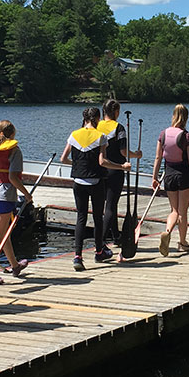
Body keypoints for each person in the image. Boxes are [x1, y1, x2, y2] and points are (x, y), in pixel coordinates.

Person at [63, 107, 126, 271]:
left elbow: (64, 159)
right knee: (98, 217)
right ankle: (99, 252)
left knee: (81, 217)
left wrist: (77, 166)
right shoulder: (101, 137)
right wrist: (121, 166)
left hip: (78, 182)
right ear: (97, 119)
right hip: (95, 182)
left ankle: (77, 256)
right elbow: (102, 162)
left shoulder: (74, 135)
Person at [0, 119, 32, 281]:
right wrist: (27, 194)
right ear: (12, 134)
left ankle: (15, 266)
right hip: (5, 195)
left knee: (4, 233)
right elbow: (13, 177)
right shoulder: (14, 150)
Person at [152, 104, 189, 256]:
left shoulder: (163, 134)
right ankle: (183, 242)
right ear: (186, 117)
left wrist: (154, 177)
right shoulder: (187, 137)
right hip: (184, 175)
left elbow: (158, 157)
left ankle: (167, 231)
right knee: (183, 212)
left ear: (173, 115)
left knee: (173, 210)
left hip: (169, 175)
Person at [96, 100, 141, 247]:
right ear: (115, 111)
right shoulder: (119, 128)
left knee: (110, 205)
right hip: (116, 169)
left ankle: (116, 237)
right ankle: (100, 243)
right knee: (110, 205)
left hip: (99, 169)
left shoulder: (96, 125)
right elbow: (123, 151)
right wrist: (136, 155)